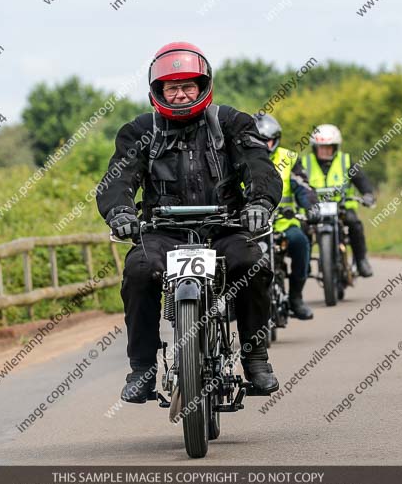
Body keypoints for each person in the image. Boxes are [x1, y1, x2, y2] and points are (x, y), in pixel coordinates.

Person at [96, 42, 283, 403]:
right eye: (172, 87)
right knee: (139, 270)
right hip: (163, 231)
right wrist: (119, 212)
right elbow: (116, 181)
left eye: (188, 86)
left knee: (252, 264)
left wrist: (259, 202)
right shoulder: (138, 131)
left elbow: (260, 167)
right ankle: (142, 369)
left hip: (225, 226)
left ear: (203, 86)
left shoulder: (232, 122)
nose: (181, 94)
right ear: (158, 92)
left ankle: (255, 357)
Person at [254, 113, 319, 320]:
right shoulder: (240, 159)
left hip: (283, 223)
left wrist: (311, 207)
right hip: (250, 227)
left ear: (277, 139)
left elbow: (304, 188)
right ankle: (234, 304)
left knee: (300, 241)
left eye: (268, 140)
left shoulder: (288, 158)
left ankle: (296, 298)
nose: (264, 145)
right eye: (258, 141)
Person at [305, 124, 376, 277]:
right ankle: (305, 265)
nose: (324, 151)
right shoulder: (305, 163)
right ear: (315, 147)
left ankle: (361, 260)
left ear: (335, 147)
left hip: (342, 206)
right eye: (321, 147)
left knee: (354, 225)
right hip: (315, 208)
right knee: (304, 227)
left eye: (328, 147)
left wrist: (367, 194)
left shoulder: (345, 161)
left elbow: (361, 179)